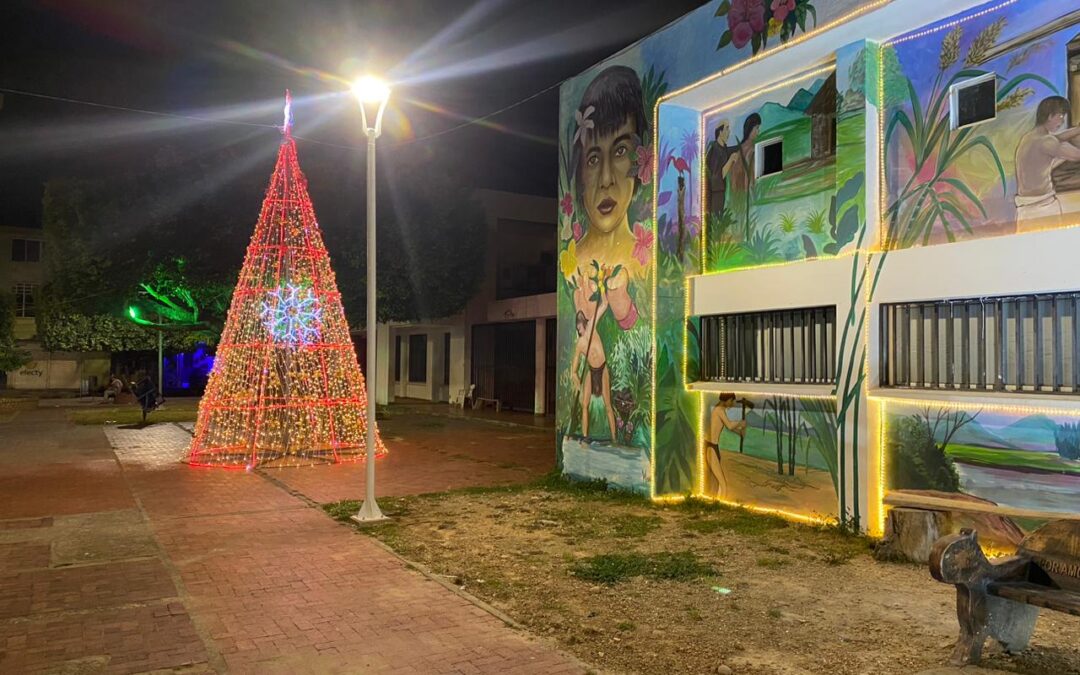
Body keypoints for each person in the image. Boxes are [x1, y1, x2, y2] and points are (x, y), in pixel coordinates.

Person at [1014, 96, 1080, 233]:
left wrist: (1077, 130)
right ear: (1050, 116)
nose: (1062, 121)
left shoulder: (1031, 137)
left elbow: (1058, 137)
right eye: (1060, 116)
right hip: (1042, 208)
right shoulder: (1046, 142)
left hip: (1025, 208)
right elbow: (1076, 155)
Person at [571, 296, 617, 442]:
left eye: (579, 326)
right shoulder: (579, 344)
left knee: (608, 404)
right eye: (577, 328)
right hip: (591, 371)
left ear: (583, 323)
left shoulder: (591, 325)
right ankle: (585, 436)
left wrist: (602, 290)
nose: (579, 329)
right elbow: (575, 366)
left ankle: (614, 438)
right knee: (585, 404)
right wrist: (575, 376)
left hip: (602, 369)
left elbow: (605, 304)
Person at [703, 394, 748, 497]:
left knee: (716, 482)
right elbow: (729, 425)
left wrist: (739, 432)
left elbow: (726, 426)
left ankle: (716, 502)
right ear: (727, 400)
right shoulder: (719, 410)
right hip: (711, 447)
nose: (732, 404)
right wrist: (741, 423)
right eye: (731, 401)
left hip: (713, 447)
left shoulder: (718, 409)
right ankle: (721, 505)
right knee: (723, 484)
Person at [705, 121, 738, 218]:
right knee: (716, 220)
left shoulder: (723, 148)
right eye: (727, 128)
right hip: (715, 192)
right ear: (720, 132)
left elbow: (731, 150)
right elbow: (718, 176)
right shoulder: (715, 149)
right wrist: (731, 159)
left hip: (720, 190)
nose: (729, 132)